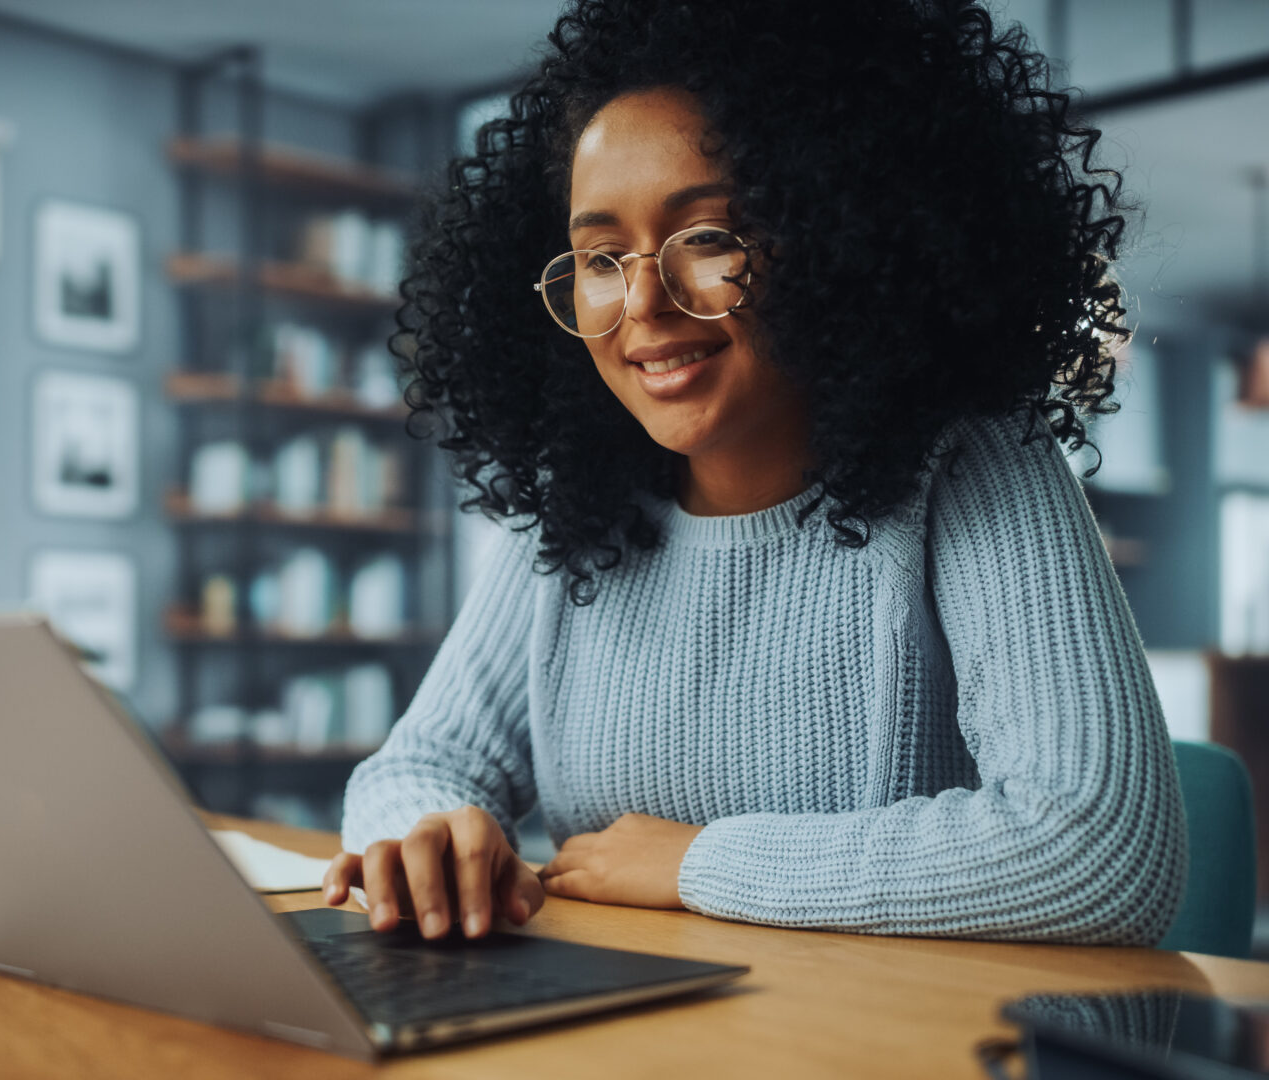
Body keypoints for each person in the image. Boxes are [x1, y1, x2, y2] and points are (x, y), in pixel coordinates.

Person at [322, 0, 1187, 945]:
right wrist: (426, 838)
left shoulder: (973, 464)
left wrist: (697, 864)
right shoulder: (572, 510)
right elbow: (421, 765)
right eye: (600, 257)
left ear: (847, 241)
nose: (643, 302)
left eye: (709, 237)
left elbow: (1099, 850)